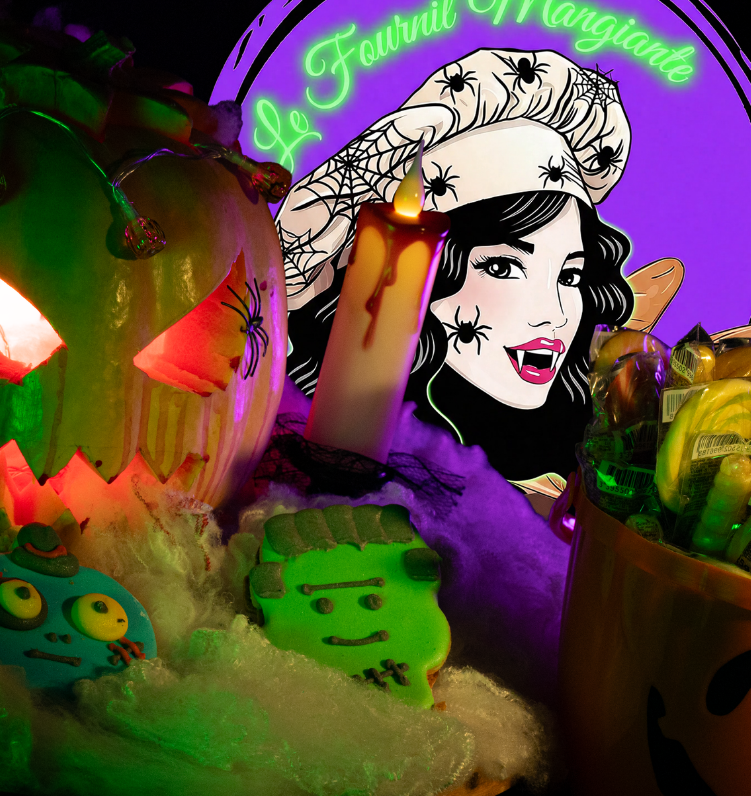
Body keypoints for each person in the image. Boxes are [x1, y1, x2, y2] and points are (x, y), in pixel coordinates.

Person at [276, 49, 645, 486]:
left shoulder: (586, 468)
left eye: (569, 276)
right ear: (423, 276)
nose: (555, 315)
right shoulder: (303, 427)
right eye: (504, 267)